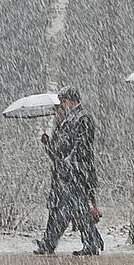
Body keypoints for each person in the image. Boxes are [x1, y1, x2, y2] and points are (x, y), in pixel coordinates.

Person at [34, 85, 104, 255]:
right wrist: (49, 144)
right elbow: (59, 151)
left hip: (76, 173)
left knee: (71, 210)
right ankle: (87, 243)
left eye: (62, 101)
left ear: (68, 100)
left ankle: (55, 242)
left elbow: (81, 148)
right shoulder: (67, 120)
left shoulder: (83, 118)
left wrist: (71, 164)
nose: (61, 105)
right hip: (66, 174)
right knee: (64, 209)